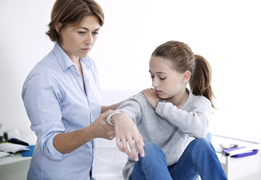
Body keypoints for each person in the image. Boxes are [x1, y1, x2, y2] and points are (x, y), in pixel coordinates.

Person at [21, 0, 144, 179]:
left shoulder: (88, 65)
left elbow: (87, 111)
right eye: (81, 32)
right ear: (58, 27)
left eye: (95, 33)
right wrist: (92, 131)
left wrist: (123, 106)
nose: (90, 41)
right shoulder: (42, 79)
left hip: (86, 174)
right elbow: (50, 145)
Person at [107, 41, 228, 180]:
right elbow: (121, 112)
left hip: (175, 173)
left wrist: (160, 105)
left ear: (185, 77)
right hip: (143, 174)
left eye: (162, 77)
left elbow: (199, 130)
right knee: (150, 149)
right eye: (152, 76)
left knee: (202, 145)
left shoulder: (198, 103)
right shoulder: (144, 98)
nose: (154, 83)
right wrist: (119, 117)